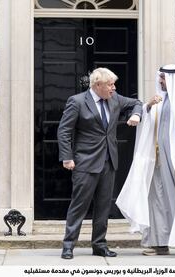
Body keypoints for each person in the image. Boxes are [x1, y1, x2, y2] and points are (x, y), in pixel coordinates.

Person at [116, 64, 175, 258]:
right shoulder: (159, 101)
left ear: (173, 79)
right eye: (160, 78)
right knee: (157, 199)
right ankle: (159, 242)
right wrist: (148, 107)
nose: (160, 82)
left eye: (163, 79)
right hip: (159, 159)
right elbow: (147, 123)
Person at [57, 67, 142, 259]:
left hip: (109, 161)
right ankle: (68, 245)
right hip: (85, 162)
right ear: (97, 85)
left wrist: (136, 115)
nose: (113, 88)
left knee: (104, 206)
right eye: (110, 85)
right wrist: (67, 157)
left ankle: (99, 245)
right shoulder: (77, 102)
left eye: (114, 84)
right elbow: (64, 131)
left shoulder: (115, 99)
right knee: (79, 206)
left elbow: (137, 102)